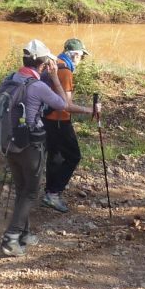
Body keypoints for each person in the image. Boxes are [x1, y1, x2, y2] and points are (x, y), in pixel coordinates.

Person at [0, 39, 97, 257]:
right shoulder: (39, 86)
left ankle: (24, 235)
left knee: (21, 189)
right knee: (31, 192)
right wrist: (54, 77)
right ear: (43, 65)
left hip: (8, 143)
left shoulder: (12, 79)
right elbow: (64, 104)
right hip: (30, 145)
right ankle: (11, 238)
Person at [42, 38, 96, 213]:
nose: (81, 61)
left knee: (55, 156)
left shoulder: (53, 64)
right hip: (59, 120)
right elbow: (67, 105)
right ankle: (53, 193)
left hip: (46, 118)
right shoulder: (65, 72)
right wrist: (91, 110)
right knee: (73, 156)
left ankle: (50, 193)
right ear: (73, 55)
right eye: (81, 56)